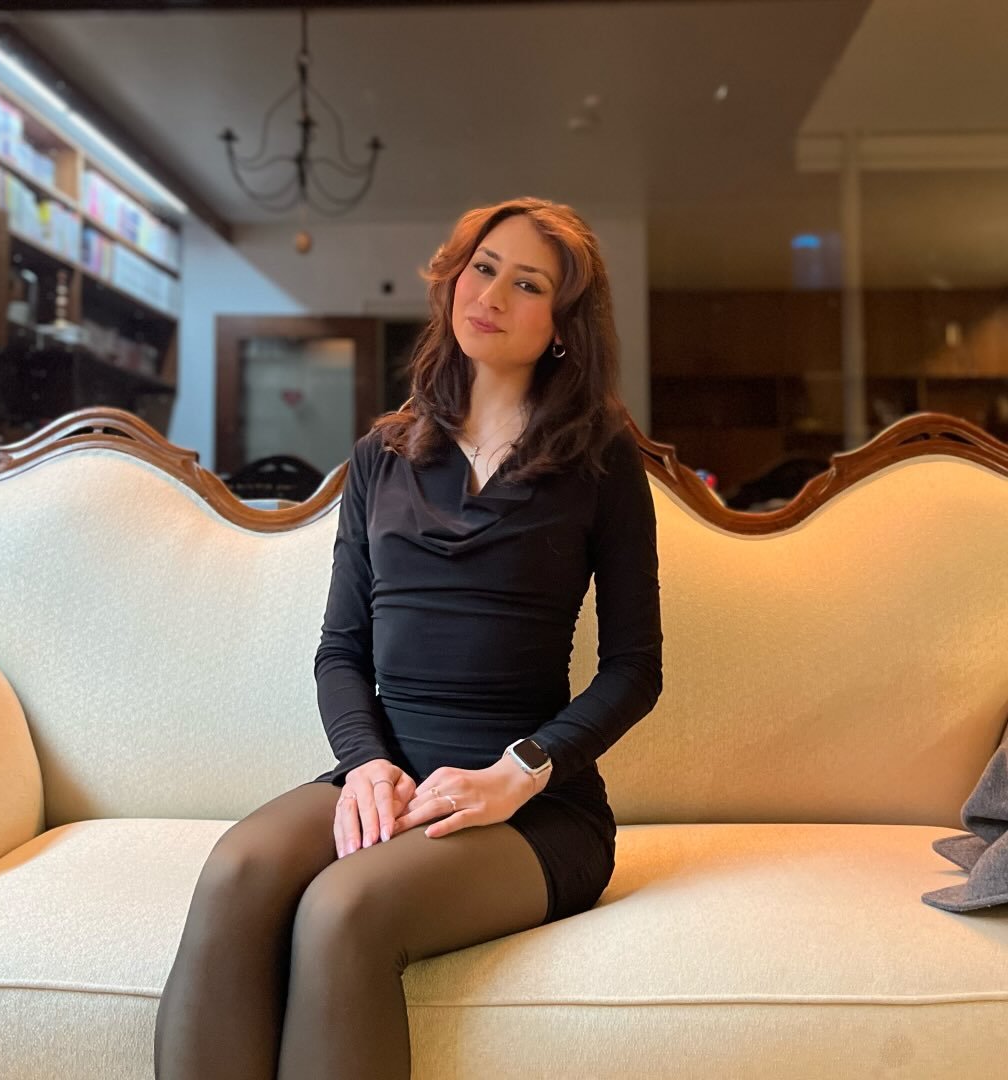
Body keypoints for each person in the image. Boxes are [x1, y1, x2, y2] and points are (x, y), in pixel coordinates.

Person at [153, 196, 663, 1080]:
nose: (490, 294)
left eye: (527, 284)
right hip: (388, 773)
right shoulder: (381, 456)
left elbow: (634, 669)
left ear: (563, 326)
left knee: (342, 911)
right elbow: (340, 651)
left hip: (531, 807)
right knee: (237, 872)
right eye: (482, 268)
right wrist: (366, 766)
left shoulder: (603, 458)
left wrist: (518, 772)